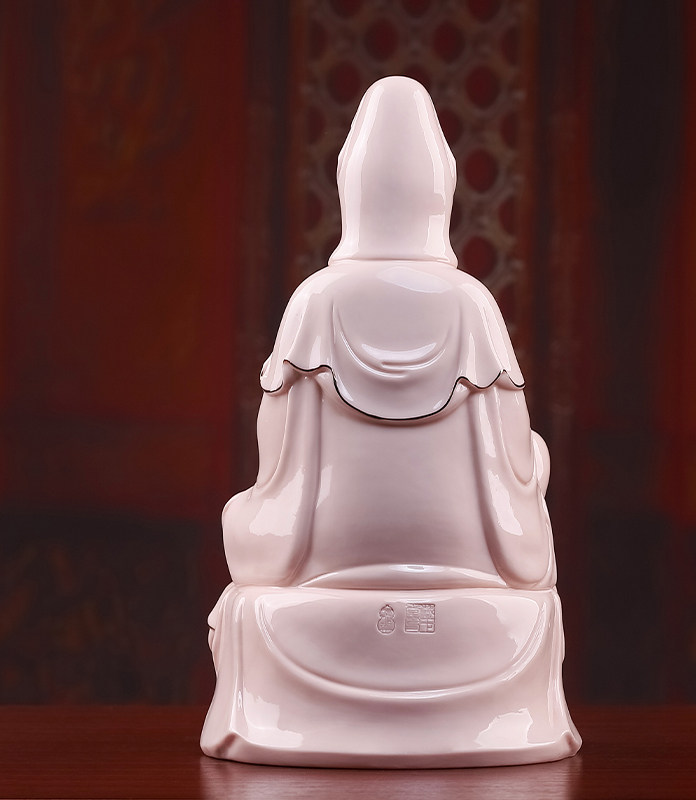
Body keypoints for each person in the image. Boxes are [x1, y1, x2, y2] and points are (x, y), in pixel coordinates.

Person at [201, 76, 580, 767]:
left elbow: (278, 471)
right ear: (443, 190)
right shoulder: (474, 305)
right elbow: (511, 468)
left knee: (247, 559)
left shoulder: (314, 302)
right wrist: (532, 462)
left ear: (351, 186)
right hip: (471, 596)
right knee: (534, 508)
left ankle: (291, 714)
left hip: (323, 589)